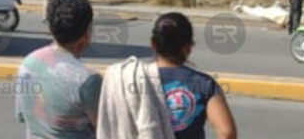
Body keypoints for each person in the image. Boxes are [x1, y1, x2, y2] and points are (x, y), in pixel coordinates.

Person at [97, 12, 237, 139]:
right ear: (188, 47)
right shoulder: (204, 84)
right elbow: (227, 133)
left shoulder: (130, 78)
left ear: (153, 44)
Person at [17, 0, 102, 138]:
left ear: (51, 28)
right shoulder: (88, 80)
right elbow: (105, 130)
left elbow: (23, 115)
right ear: (87, 32)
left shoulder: (28, 64)